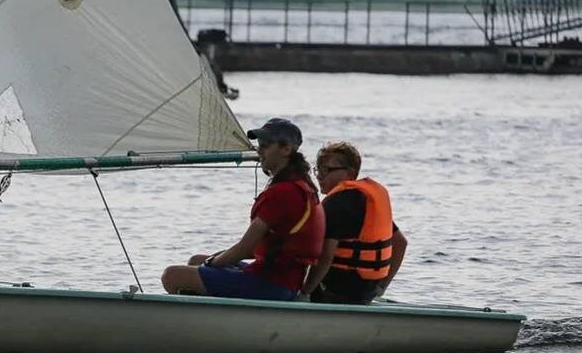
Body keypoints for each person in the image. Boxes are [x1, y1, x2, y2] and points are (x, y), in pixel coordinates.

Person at [161, 118, 324, 300]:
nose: (259, 151)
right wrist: (211, 262)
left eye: (266, 145)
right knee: (195, 261)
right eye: (259, 145)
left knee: (172, 275)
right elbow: (252, 250)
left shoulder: (283, 192)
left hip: (271, 285)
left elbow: (245, 248)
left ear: (286, 149)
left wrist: (212, 262)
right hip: (284, 281)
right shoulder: (303, 185)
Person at [299, 142, 408, 304]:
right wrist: (381, 288)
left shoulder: (337, 202)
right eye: (318, 169)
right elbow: (401, 243)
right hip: (367, 292)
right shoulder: (366, 198)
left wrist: (305, 293)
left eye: (326, 170)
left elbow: (325, 257)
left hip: (336, 291)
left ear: (349, 174)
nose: (319, 176)